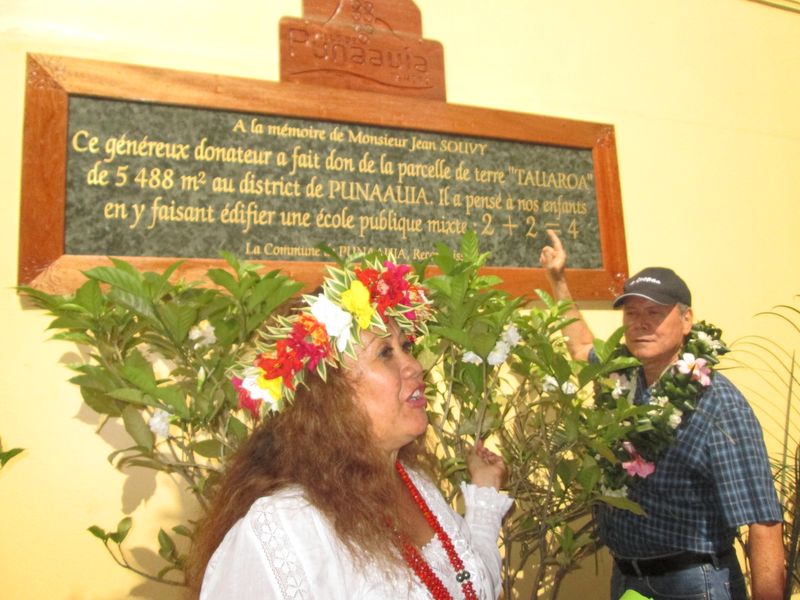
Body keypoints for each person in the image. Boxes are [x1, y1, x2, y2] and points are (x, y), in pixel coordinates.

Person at [187, 258, 513, 599]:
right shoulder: (288, 527)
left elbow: (473, 585)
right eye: (385, 353)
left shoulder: (415, 485)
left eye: (407, 347)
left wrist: (484, 494)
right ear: (327, 397)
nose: (415, 367)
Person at [539, 229, 784, 600]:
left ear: (686, 321)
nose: (641, 323)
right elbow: (582, 346)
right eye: (632, 313)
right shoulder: (621, 376)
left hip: (693, 583)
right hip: (627, 581)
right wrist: (558, 280)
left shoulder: (718, 404)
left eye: (655, 313)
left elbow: (763, 521)